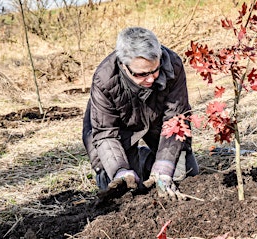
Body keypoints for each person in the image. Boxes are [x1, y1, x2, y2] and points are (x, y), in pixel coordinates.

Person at [82, 27, 199, 201]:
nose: (151, 79)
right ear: (123, 65)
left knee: (185, 175)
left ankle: (153, 162)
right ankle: (140, 161)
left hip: (157, 122)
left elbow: (176, 118)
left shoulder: (172, 64)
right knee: (123, 190)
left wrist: (164, 168)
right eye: (142, 74)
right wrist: (120, 171)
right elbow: (106, 133)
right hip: (116, 134)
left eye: (155, 70)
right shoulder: (105, 78)